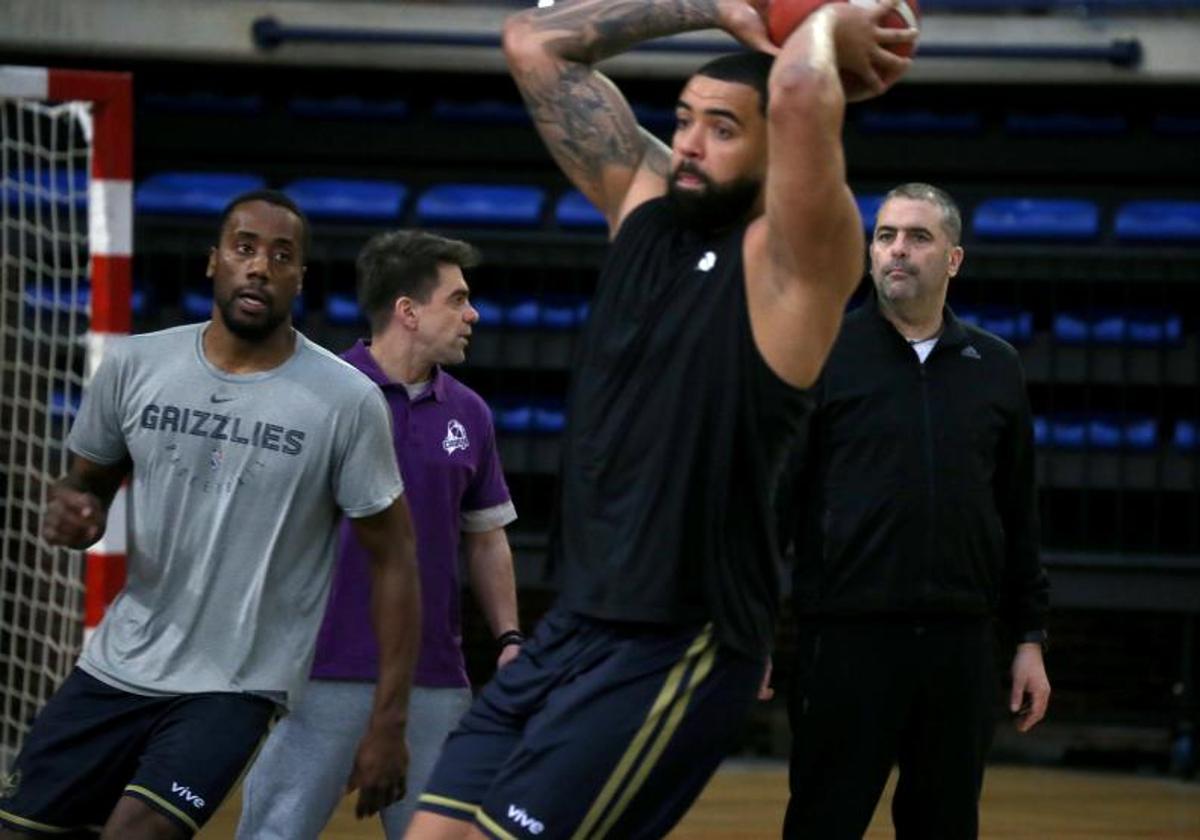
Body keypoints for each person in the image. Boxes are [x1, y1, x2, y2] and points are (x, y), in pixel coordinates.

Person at [407, 1, 915, 838]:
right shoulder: (644, 214)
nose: (687, 143)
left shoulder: (797, 261)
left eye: (721, 128)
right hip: (573, 625)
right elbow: (532, 42)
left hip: (677, 641)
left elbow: (795, 92)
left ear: (771, 149)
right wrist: (716, 8)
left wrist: (823, 24)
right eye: (682, 120)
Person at [0, 190, 421, 840]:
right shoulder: (138, 365)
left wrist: (390, 721)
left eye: (281, 256)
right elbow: (86, 486)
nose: (260, 266)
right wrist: (76, 515)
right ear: (213, 261)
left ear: (300, 278)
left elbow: (395, 562)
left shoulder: (346, 401)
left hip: (235, 685)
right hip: (118, 664)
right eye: (244, 247)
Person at [781, 183, 1052, 839]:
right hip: (844, 638)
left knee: (945, 826)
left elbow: (1017, 511)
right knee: (823, 822)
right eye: (885, 236)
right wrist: (757, 626)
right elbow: (775, 505)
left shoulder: (996, 366)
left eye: (918, 237)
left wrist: (1029, 638)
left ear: (953, 259)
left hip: (961, 646)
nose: (897, 250)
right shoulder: (821, 353)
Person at [236, 229, 521, 839]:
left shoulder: (471, 413)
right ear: (408, 311)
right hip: (318, 670)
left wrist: (510, 635)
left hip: (435, 676)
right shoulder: (314, 394)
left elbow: (487, 537)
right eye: (458, 299)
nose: (472, 313)